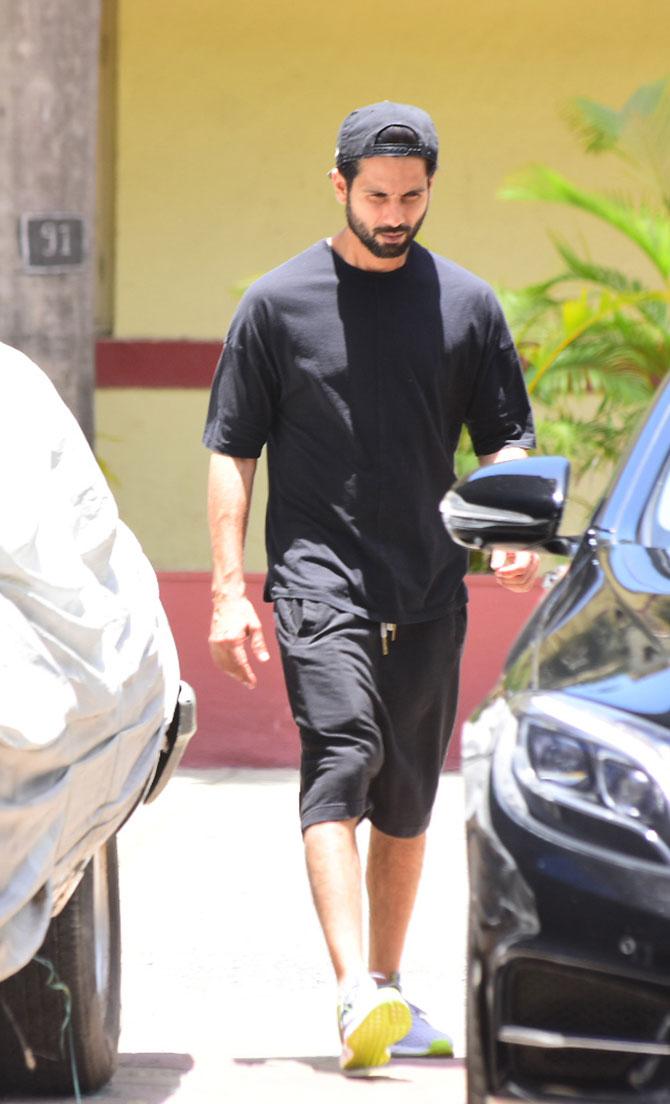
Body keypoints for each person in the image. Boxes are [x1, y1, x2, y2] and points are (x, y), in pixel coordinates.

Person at [203, 101, 539, 1074]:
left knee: (405, 801)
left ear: (431, 187)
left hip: (428, 584)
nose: (395, 214)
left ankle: (385, 988)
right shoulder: (277, 305)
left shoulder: (466, 305)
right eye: (378, 196)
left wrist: (513, 531)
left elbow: (505, 438)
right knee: (340, 759)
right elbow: (230, 450)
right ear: (340, 184)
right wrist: (229, 588)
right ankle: (354, 986)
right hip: (316, 582)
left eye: (413, 196)